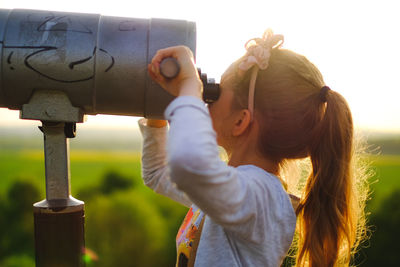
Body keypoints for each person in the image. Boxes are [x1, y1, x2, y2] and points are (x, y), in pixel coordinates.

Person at [139, 29, 368, 267]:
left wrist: (189, 88)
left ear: (241, 121)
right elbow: (157, 174)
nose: (206, 98)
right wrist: (159, 108)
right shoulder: (233, 188)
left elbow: (190, 168)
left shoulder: (262, 199)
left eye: (216, 94)